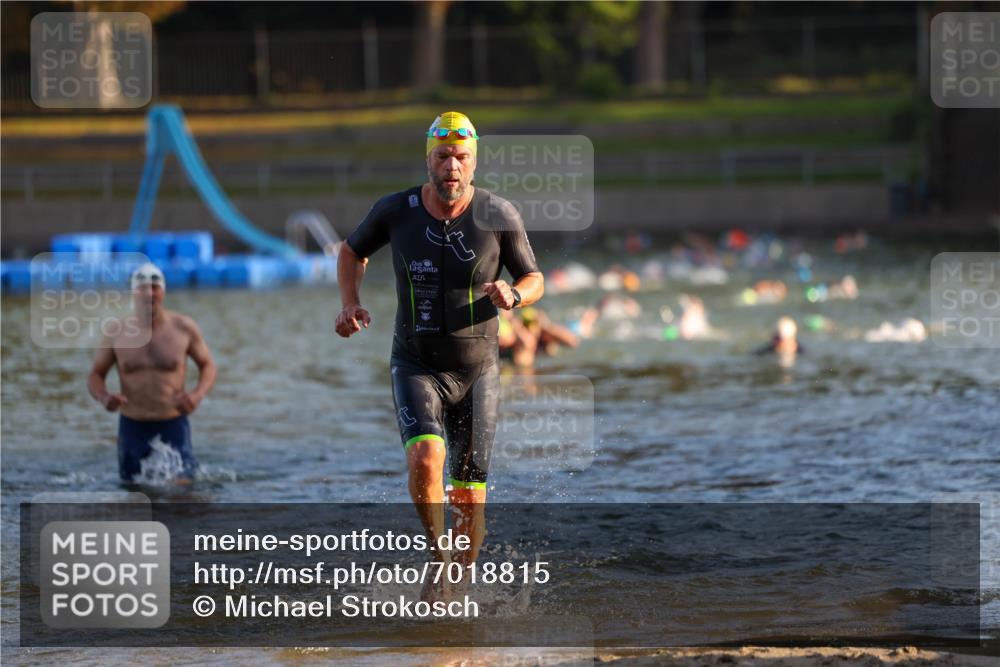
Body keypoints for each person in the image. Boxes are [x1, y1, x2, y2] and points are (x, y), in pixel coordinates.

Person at [334, 111, 544, 599]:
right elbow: (351, 252)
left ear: (474, 164)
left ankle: (454, 594)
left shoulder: (499, 213)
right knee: (427, 458)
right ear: (428, 159)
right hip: (416, 362)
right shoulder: (396, 210)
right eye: (443, 156)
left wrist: (515, 296)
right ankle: (436, 556)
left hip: (479, 370)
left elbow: (534, 278)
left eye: (461, 157)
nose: (452, 166)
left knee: (469, 500)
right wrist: (350, 303)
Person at [87, 263, 216, 484]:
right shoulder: (116, 332)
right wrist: (104, 397)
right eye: (142, 288)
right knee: (132, 493)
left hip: (173, 424)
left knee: (184, 493)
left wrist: (197, 395)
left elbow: (208, 365)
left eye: (154, 287)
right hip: (132, 426)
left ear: (163, 291)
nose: (149, 293)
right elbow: (95, 375)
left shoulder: (183, 327)